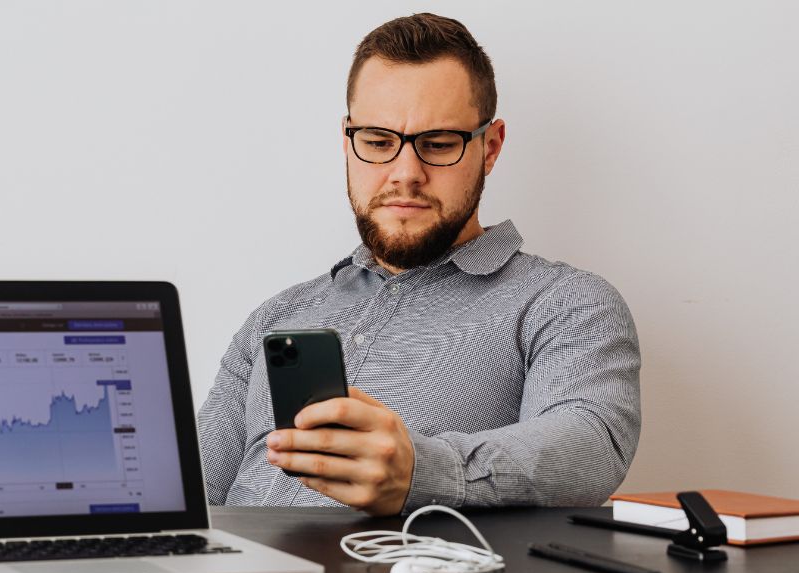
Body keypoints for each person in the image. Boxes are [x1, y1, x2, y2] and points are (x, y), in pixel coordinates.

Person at [197, 13, 641, 516]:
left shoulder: (564, 303)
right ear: (348, 141)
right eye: (379, 142)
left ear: (489, 148)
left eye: (437, 144)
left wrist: (422, 471)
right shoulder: (276, 316)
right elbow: (188, 489)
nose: (405, 174)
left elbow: (590, 445)